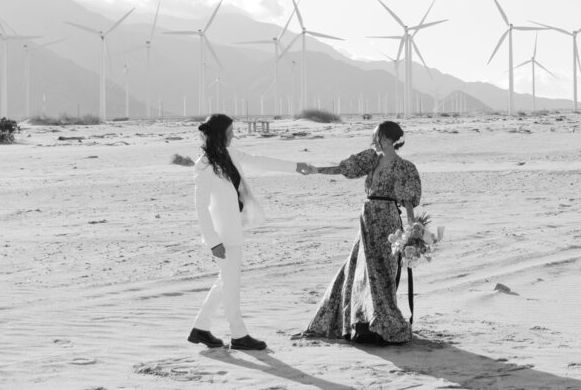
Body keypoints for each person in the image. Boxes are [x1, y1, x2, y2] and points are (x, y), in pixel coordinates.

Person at [176, 113, 307, 351]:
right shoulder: (203, 165)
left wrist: (296, 167)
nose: (233, 135)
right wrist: (213, 241)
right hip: (221, 235)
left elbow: (259, 160)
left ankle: (201, 329)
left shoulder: (230, 155)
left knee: (225, 280)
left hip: (233, 228)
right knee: (231, 284)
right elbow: (200, 207)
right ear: (219, 134)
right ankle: (238, 335)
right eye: (229, 132)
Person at [297, 120, 421, 345]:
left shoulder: (405, 167)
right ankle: (361, 324)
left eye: (379, 137)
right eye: (375, 137)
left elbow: (408, 203)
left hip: (388, 222)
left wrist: (412, 234)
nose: (375, 140)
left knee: (382, 274)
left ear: (389, 139)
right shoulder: (372, 159)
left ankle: (380, 326)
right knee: (357, 271)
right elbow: (346, 169)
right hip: (367, 220)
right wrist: (318, 170)